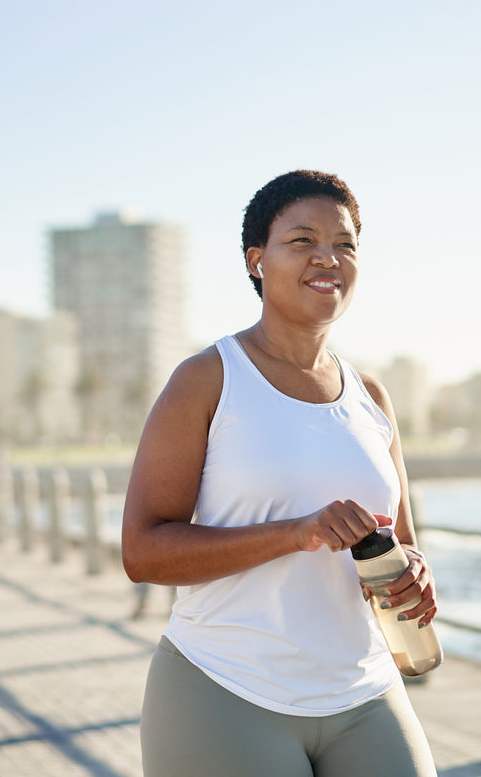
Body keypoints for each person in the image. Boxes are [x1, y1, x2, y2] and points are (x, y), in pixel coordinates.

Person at [122, 170, 439, 776]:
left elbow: (400, 541)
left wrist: (413, 572)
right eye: (303, 241)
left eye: (345, 244)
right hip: (225, 691)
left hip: (365, 693)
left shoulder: (370, 395)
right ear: (257, 260)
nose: (328, 258)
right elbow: (143, 552)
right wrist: (296, 533)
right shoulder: (208, 379)